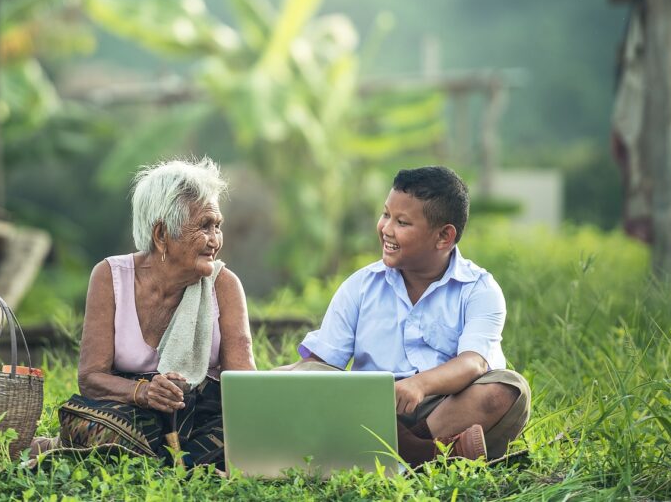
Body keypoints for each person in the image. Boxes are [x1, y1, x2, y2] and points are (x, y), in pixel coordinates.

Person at [279, 166, 530, 465]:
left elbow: (474, 362)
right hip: (367, 407)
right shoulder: (360, 286)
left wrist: (420, 385)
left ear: (444, 237)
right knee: (310, 376)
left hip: (443, 409)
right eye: (386, 215)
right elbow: (321, 363)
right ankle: (427, 455)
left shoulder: (478, 289)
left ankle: (389, 451)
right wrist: (265, 381)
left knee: (508, 390)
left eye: (402, 222)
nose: (386, 229)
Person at [34, 157, 256, 469]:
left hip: (202, 417)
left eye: (217, 226)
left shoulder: (225, 285)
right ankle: (181, 464)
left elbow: (245, 390)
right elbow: (91, 378)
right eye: (204, 226)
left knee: (241, 435)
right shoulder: (110, 277)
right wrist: (145, 391)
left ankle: (157, 462)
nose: (215, 241)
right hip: (132, 414)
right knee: (104, 428)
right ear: (162, 235)